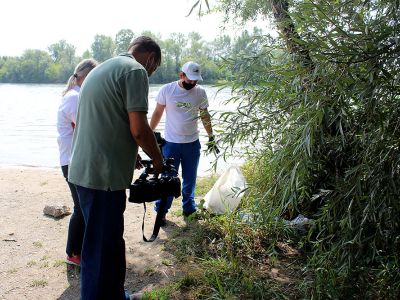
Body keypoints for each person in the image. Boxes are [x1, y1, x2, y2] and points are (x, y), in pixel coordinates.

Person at [68, 36, 163, 300]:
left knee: (107, 243)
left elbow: (106, 119)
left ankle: (115, 295)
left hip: (84, 171)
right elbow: (140, 130)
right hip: (102, 177)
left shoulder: (101, 69)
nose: (151, 73)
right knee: (100, 248)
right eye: (153, 69)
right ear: (151, 58)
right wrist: (157, 159)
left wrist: (130, 156)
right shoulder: (135, 71)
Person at [150, 61, 219, 225]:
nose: (193, 83)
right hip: (171, 144)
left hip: (192, 144)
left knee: (190, 179)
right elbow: (158, 112)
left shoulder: (200, 92)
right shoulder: (167, 90)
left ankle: (189, 209)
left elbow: (204, 116)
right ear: (181, 75)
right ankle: (161, 212)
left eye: (196, 80)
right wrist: (149, 133)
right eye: (190, 80)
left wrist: (211, 137)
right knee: (167, 179)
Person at [56, 58, 98, 266]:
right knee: (81, 208)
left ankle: (78, 251)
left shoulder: (77, 95)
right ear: (82, 77)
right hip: (73, 161)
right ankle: (73, 253)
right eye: (93, 76)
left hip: (76, 159)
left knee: (82, 207)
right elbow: (89, 126)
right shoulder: (74, 98)